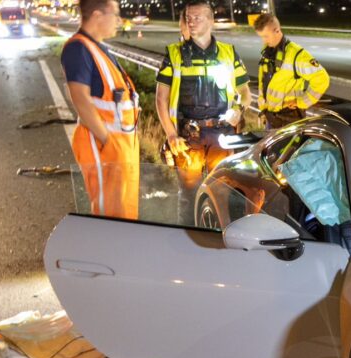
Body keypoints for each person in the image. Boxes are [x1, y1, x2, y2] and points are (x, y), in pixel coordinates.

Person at [155, 0, 251, 225]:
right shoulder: (174, 54)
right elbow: (161, 99)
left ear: (211, 21)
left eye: (197, 17)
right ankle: (189, 240)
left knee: (223, 189)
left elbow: (245, 92)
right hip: (189, 137)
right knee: (189, 195)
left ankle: (221, 237)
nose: (192, 22)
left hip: (222, 135)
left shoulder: (228, 53)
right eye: (189, 17)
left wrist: (239, 109)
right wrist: (170, 134)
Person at [60, 0, 141, 219]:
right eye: (114, 14)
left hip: (118, 144)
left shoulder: (97, 48)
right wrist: (107, 141)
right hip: (103, 146)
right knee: (110, 213)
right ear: (97, 15)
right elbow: (80, 98)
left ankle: (120, 251)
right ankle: (108, 252)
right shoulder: (78, 48)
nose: (118, 21)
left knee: (124, 209)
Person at [253, 14, 328, 129]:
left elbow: (322, 79)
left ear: (277, 31)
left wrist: (302, 102)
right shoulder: (267, 52)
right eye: (261, 37)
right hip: (271, 117)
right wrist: (263, 108)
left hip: (290, 118)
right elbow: (263, 81)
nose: (264, 40)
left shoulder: (297, 54)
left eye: (266, 36)